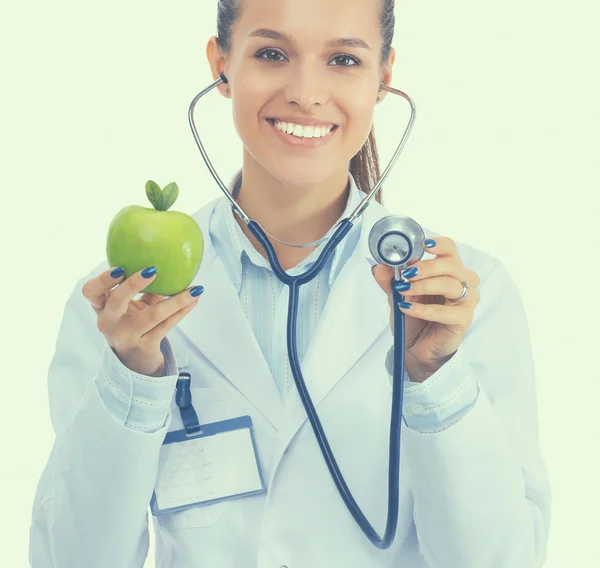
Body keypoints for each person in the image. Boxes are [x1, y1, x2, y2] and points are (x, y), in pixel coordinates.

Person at [29, 0, 552, 566]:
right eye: (272, 53)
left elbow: (501, 559)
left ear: (385, 77)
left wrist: (436, 380)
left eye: (344, 60)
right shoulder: (121, 304)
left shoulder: (464, 297)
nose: (306, 91)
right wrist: (130, 382)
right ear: (221, 64)